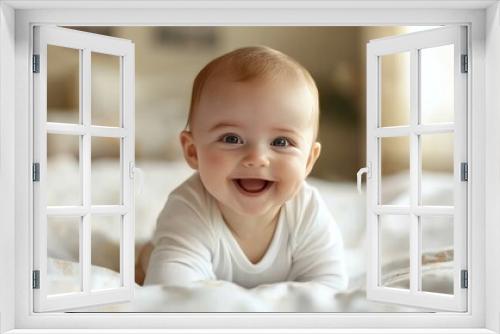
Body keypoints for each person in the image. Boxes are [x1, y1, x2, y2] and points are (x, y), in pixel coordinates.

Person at [141, 46, 348, 290]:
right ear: (193, 151)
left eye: (281, 142)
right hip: (179, 248)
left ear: (309, 160)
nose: (257, 158)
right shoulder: (188, 208)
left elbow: (331, 286)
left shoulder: (307, 211)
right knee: (149, 260)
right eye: (231, 139)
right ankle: (145, 254)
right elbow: (171, 291)